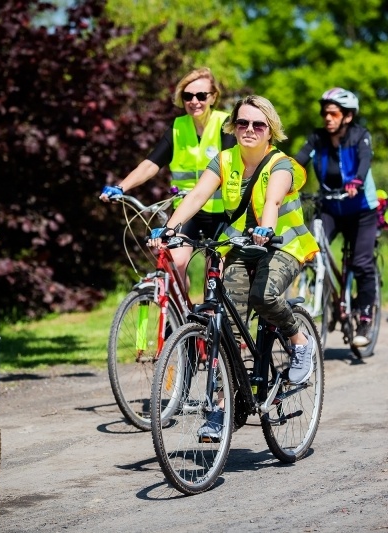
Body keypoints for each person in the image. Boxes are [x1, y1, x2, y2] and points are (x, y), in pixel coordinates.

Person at [148, 95, 319, 439]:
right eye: (242, 123)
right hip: (242, 246)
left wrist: (266, 229)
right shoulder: (225, 160)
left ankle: (299, 341)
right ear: (233, 127)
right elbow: (196, 196)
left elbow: (271, 200)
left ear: (270, 130)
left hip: (283, 244)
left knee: (264, 297)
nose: (249, 130)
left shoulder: (281, 165)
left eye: (258, 124)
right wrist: (171, 229)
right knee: (229, 324)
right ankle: (223, 407)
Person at [100, 67, 235, 288]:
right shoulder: (178, 127)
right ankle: (181, 316)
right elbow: (151, 163)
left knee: (215, 271)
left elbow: (228, 167)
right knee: (175, 262)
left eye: (201, 96)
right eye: (187, 96)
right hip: (187, 209)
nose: (194, 101)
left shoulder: (225, 124)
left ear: (213, 97)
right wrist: (121, 187)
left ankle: (212, 319)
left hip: (222, 211)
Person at [293, 87, 379, 347]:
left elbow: (364, 160)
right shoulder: (317, 138)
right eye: (325, 113)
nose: (327, 118)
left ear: (347, 116)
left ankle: (364, 316)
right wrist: (284, 179)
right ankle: (322, 298)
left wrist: (356, 180)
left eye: (333, 114)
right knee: (308, 251)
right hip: (329, 206)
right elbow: (298, 161)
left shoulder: (360, 136)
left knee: (362, 262)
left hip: (361, 208)